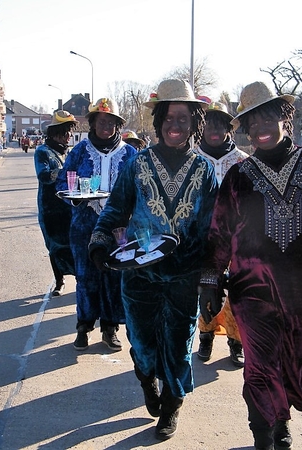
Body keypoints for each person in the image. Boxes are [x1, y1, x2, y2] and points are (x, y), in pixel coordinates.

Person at [199, 81, 302, 450]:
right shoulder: (238, 176)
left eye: (267, 117)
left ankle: (282, 421)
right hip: (251, 293)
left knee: (293, 367)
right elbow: (220, 233)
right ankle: (263, 436)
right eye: (251, 121)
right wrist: (210, 280)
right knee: (259, 368)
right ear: (243, 127)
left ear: (284, 117)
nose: (259, 127)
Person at [89, 79, 218, 440]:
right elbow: (115, 210)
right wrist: (100, 245)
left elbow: (213, 230)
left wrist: (210, 279)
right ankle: (147, 379)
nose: (174, 125)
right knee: (143, 344)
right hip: (140, 273)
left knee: (178, 345)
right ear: (159, 120)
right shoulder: (138, 163)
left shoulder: (205, 170)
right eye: (168, 117)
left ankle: (173, 405)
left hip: (184, 276)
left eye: (183, 118)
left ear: (195, 122)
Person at [56, 98, 138, 352]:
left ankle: (110, 328)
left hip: (118, 228)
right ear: (92, 123)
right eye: (101, 121)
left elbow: (141, 188)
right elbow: (62, 183)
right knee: (86, 277)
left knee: (114, 276)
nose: (106, 125)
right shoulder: (79, 151)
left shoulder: (130, 153)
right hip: (85, 225)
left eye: (111, 121)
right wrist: (76, 199)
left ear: (117, 124)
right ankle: (83, 326)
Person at [193, 100, 249, 367]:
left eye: (221, 124)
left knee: (237, 294)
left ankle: (235, 342)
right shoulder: (191, 159)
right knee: (206, 288)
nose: (214, 130)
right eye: (209, 124)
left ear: (230, 128)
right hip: (204, 242)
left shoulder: (244, 162)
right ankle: (205, 337)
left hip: (238, 242)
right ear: (201, 127)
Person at [33, 110, 78, 296]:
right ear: (55, 132)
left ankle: (79, 279)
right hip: (50, 208)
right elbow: (43, 176)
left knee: (72, 244)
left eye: (70, 132)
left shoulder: (67, 153)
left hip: (68, 207)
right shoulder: (42, 152)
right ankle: (59, 281)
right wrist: (64, 172)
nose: (69, 136)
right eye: (66, 132)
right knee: (55, 246)